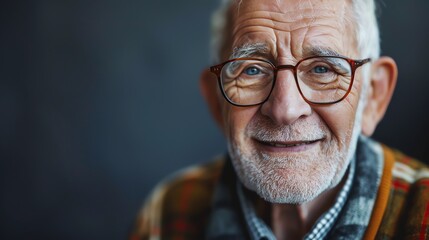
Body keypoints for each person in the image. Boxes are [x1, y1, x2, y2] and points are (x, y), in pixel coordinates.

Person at [130, 0, 429, 239]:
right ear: (216, 100)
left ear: (373, 96)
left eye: (323, 69)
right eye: (252, 70)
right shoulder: (169, 212)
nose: (285, 109)